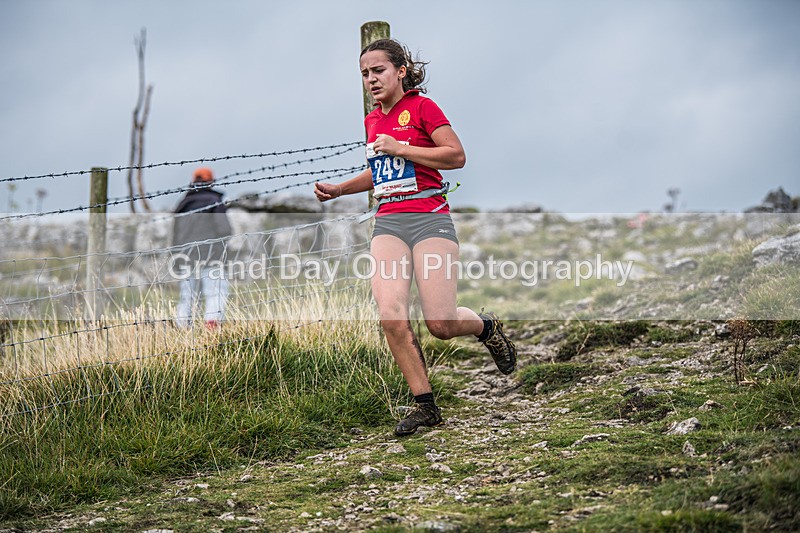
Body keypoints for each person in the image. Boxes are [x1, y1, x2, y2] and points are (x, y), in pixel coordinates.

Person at [314, 38, 517, 436]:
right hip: (389, 221)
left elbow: (456, 156)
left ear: (401, 70)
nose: (371, 80)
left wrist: (404, 147)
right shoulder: (373, 119)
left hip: (430, 219)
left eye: (378, 71)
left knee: (440, 323)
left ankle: (486, 327)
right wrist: (340, 189)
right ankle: (425, 405)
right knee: (391, 314)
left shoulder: (423, 108)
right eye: (364, 74)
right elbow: (382, 170)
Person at [172, 167, 233, 329]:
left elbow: (175, 237)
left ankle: (182, 327)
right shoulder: (215, 201)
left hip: (185, 257)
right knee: (215, 292)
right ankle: (212, 326)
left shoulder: (182, 205)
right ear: (211, 181)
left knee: (188, 296)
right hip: (212, 256)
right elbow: (225, 229)